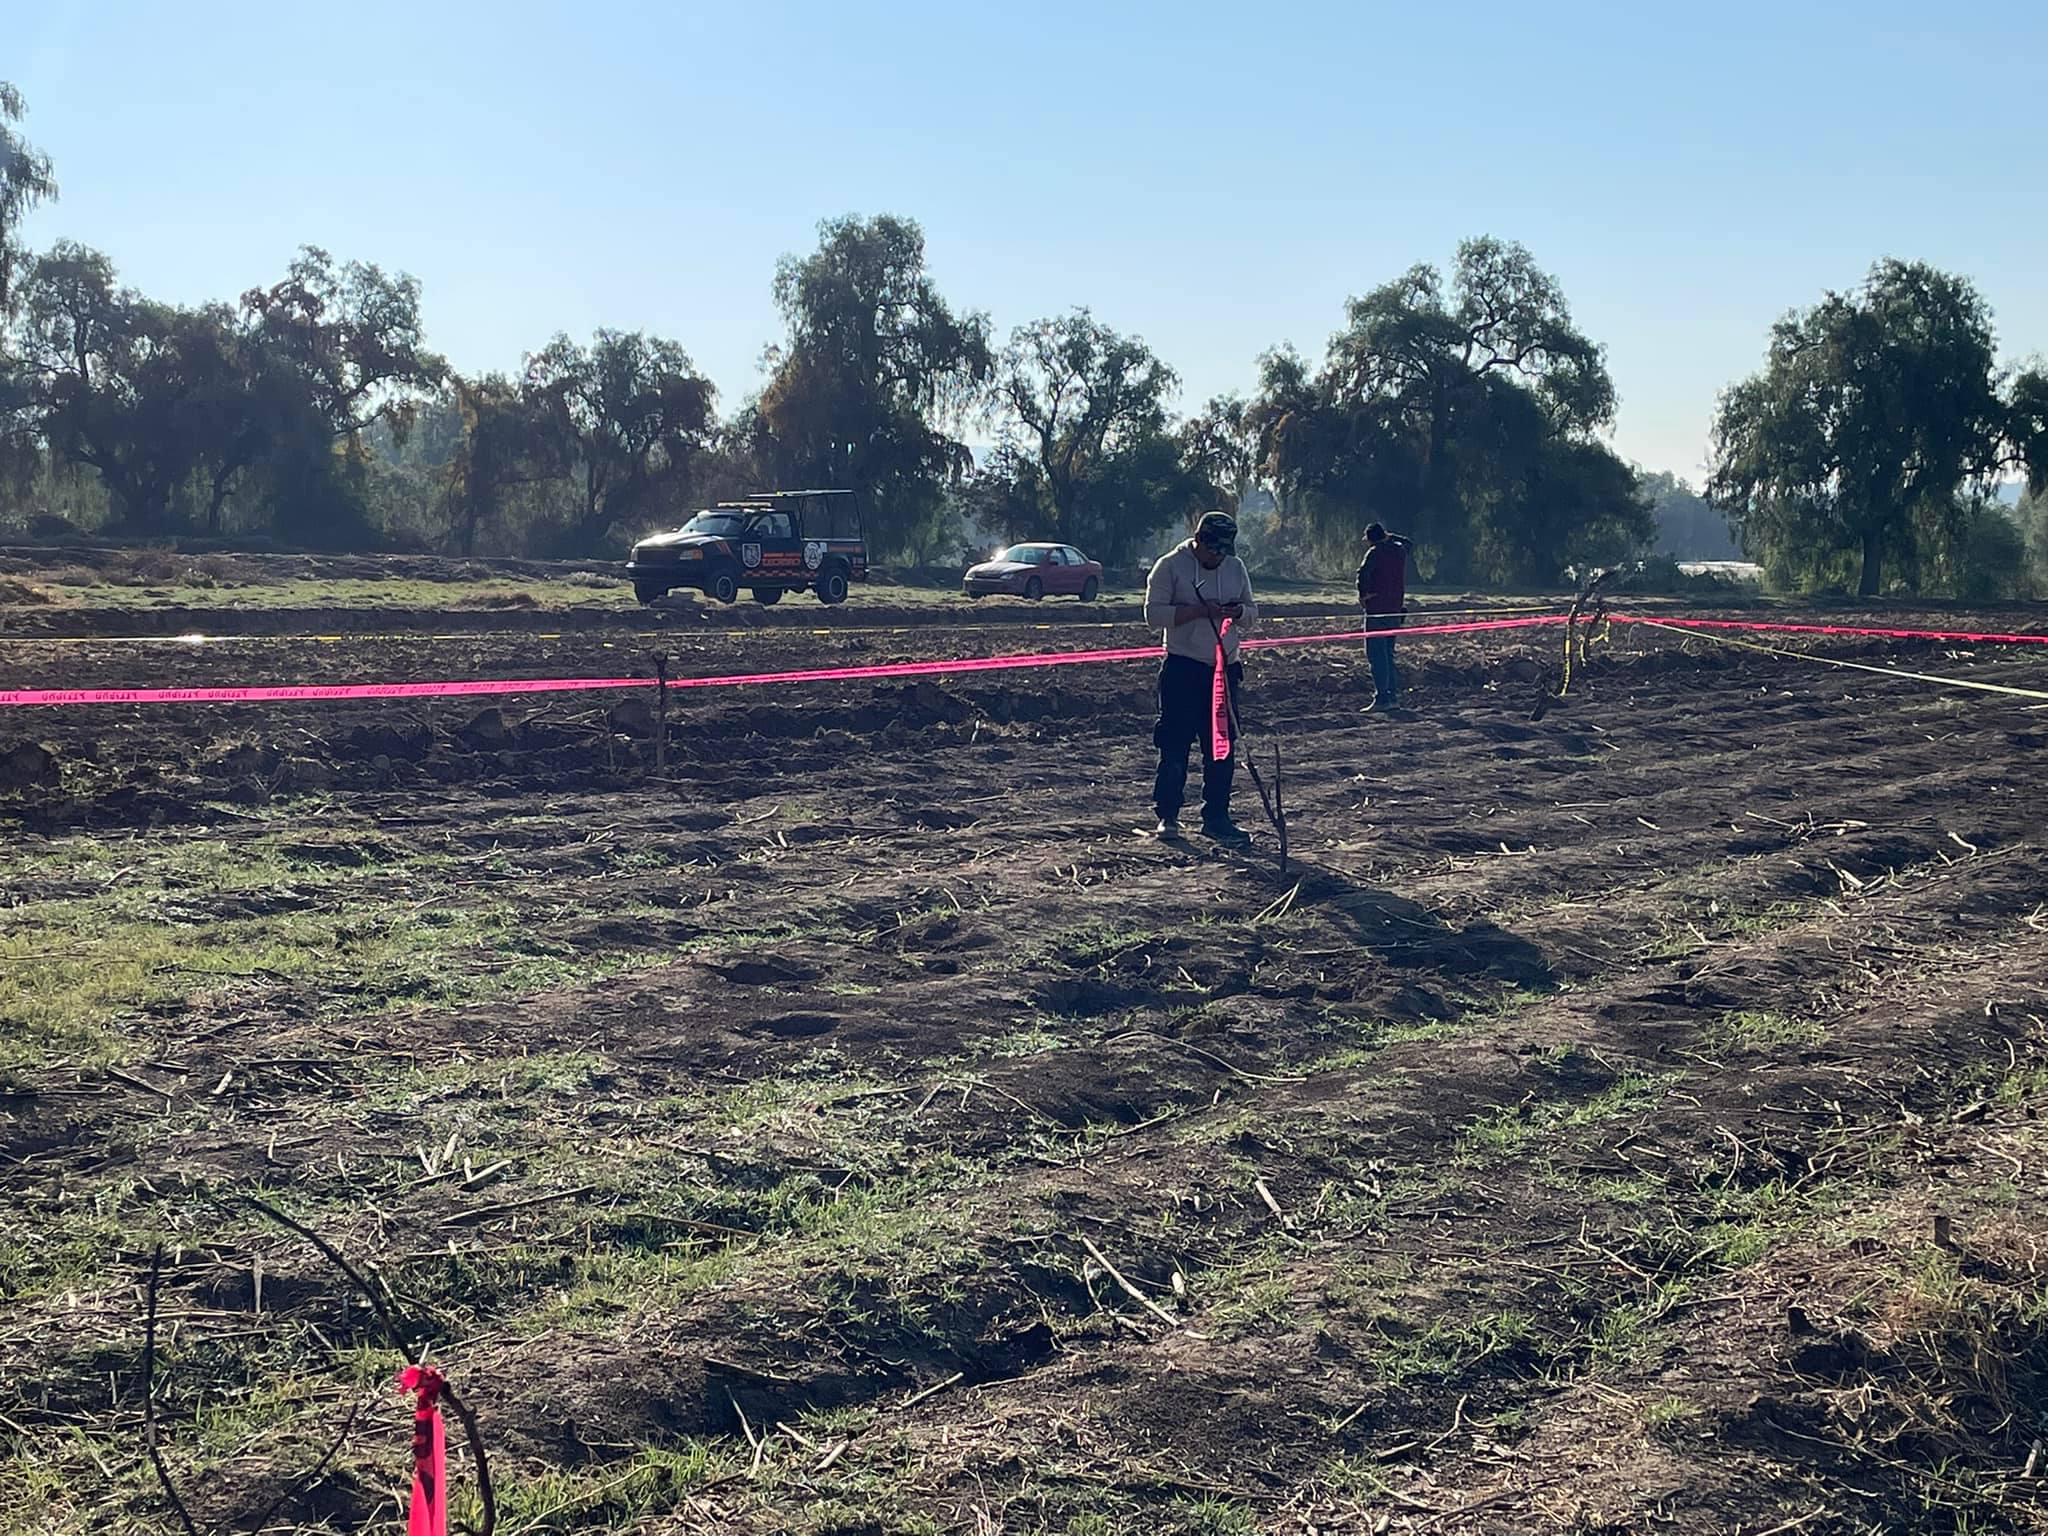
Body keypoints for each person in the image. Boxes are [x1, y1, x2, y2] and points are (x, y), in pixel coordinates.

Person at [1143, 510, 1259, 841]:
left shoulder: (1236, 568)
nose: (1218, 557)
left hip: (1224, 670)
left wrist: (1237, 612)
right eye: (1213, 550)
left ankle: (1217, 817)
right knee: (1175, 744)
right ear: (1199, 540)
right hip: (1183, 668)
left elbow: (1252, 614)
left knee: (1221, 747)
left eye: (1224, 551)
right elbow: (1153, 616)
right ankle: (1168, 815)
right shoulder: (1169, 566)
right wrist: (1198, 611)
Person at [1356, 522, 1413, 711]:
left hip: (1377, 609)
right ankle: (1392, 697)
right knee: (1388, 654)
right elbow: (1408, 542)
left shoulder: (1374, 553)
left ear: (1371, 539)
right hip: (1395, 609)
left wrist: (1363, 595)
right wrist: (1390, 536)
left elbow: (1362, 574)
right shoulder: (1399, 551)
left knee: (1376, 654)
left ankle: (1381, 699)